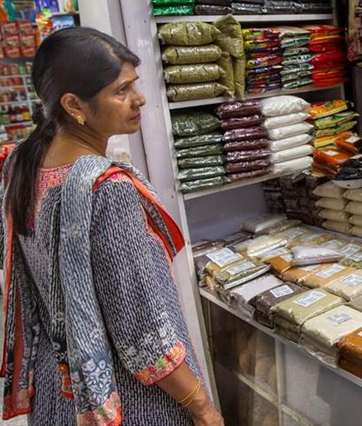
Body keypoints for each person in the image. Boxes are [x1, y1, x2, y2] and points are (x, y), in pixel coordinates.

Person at [0, 28, 223, 425]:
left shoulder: (21, 164)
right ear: (73, 104)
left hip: (61, 390)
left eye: (134, 85)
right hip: (128, 401)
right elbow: (141, 334)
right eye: (121, 91)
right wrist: (202, 405)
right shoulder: (106, 189)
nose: (139, 99)